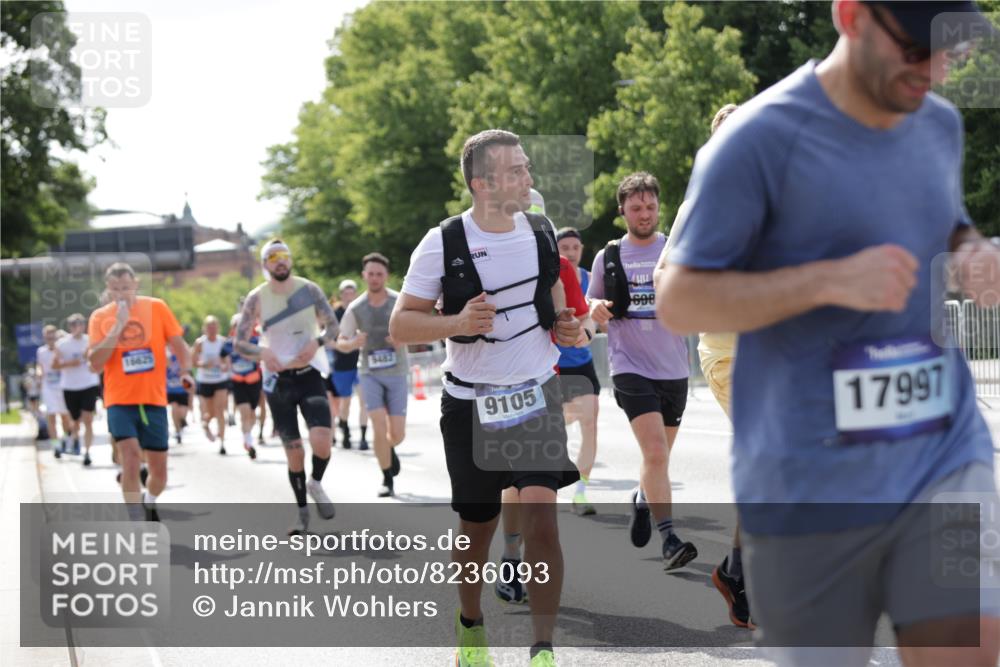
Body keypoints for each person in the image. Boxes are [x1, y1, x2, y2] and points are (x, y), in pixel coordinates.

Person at [657, 2, 1000, 664]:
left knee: (969, 644)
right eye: (915, 47)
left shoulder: (938, 124)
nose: (933, 69)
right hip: (807, 476)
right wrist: (823, 281)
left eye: (949, 50)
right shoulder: (756, 140)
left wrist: (972, 252)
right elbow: (678, 298)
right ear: (851, 16)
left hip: (940, 448)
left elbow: (949, 221)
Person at [390, 129, 584, 667]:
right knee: (478, 528)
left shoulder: (541, 231)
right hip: (472, 403)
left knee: (543, 519)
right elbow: (401, 324)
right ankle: (470, 624)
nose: (529, 178)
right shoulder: (443, 242)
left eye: (526, 167)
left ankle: (542, 650)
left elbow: (558, 306)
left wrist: (569, 328)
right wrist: (455, 321)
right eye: (517, 171)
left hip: (536, 394)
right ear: (482, 184)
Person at [588, 172, 696, 571]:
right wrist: (593, 307)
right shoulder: (609, 256)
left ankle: (641, 497)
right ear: (623, 211)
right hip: (629, 365)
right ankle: (669, 538)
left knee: (659, 459)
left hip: (674, 367)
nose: (645, 213)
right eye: (636, 207)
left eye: (650, 206)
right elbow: (592, 300)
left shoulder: (676, 248)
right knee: (653, 451)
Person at [235, 239, 340, 535]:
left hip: (309, 374)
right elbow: (239, 342)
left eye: (284, 256)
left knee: (322, 441)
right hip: (278, 382)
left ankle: (315, 483)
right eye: (272, 257)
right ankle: (302, 512)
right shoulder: (257, 297)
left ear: (291, 260)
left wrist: (316, 341)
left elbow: (333, 327)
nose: (279, 261)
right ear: (265, 264)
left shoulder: (309, 290)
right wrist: (263, 352)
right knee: (294, 452)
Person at [87, 262, 193, 521]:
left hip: (154, 398)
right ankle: (136, 520)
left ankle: (150, 500)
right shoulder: (100, 317)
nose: (121, 293)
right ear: (108, 290)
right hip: (119, 400)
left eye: (125, 287)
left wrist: (185, 371)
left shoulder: (156, 307)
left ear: (135, 284)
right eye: (115, 289)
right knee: (131, 457)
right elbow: (95, 363)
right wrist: (117, 327)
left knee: (159, 473)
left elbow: (179, 344)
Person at [336, 253, 408, 497]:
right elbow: (341, 342)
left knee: (396, 434)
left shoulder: (399, 301)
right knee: (378, 424)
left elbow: (417, 330)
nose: (375, 278)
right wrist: (353, 342)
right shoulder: (356, 308)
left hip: (397, 372)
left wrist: (403, 338)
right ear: (364, 275)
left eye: (379, 273)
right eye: (371, 273)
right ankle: (387, 478)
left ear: (386, 276)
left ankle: (389, 449)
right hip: (369, 372)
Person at [554, 227, 601, 515]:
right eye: (565, 247)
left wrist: (590, 330)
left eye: (575, 246)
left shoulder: (589, 279)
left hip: (582, 363)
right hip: (551, 365)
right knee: (559, 425)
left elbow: (595, 315)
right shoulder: (548, 274)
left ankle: (581, 492)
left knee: (591, 424)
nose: (571, 252)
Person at [53, 313, 101, 466]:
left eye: (79, 324)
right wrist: (69, 364)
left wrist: (91, 358)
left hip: (89, 384)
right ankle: (68, 439)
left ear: (84, 326)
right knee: (75, 421)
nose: (76, 327)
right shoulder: (62, 344)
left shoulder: (91, 341)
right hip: (70, 386)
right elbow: (55, 366)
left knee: (88, 418)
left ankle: (87, 452)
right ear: (69, 327)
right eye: (73, 325)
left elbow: (99, 360)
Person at [327, 280, 369, 450]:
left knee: (364, 401)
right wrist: (347, 344)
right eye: (346, 293)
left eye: (352, 292)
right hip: (342, 364)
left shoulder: (361, 311)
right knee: (345, 403)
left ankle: (364, 437)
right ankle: (344, 430)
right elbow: (328, 340)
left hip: (361, 362)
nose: (349, 296)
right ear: (341, 294)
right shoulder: (335, 314)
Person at [192, 315, 230, 453]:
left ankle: (222, 443)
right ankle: (206, 424)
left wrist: (225, 366)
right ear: (205, 329)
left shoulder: (223, 342)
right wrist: (203, 364)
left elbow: (227, 361)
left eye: (214, 326)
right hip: (205, 381)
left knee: (220, 410)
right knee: (210, 412)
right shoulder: (200, 343)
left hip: (220, 380)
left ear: (218, 327)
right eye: (209, 327)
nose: (212, 329)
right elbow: (193, 362)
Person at [226, 313, 261, 460]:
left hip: (254, 381)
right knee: (244, 412)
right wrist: (226, 368)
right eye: (237, 326)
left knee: (252, 415)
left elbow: (261, 357)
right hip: (238, 381)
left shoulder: (255, 340)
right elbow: (225, 360)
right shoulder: (229, 344)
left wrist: (249, 356)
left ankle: (248, 435)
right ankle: (248, 442)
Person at [36, 325, 71, 458]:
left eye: (52, 336)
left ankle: (66, 439)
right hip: (48, 387)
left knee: (65, 417)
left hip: (63, 387)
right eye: (48, 337)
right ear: (44, 338)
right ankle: (55, 445)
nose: (50, 339)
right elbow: (40, 366)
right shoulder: (41, 351)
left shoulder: (61, 349)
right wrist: (39, 375)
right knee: (51, 416)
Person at [165, 344, 192, 445]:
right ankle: (178, 431)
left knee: (182, 412)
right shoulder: (166, 358)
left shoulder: (182, 358)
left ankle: (181, 422)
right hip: (171, 390)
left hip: (182, 389)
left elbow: (187, 375)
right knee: (174, 408)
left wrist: (190, 392)